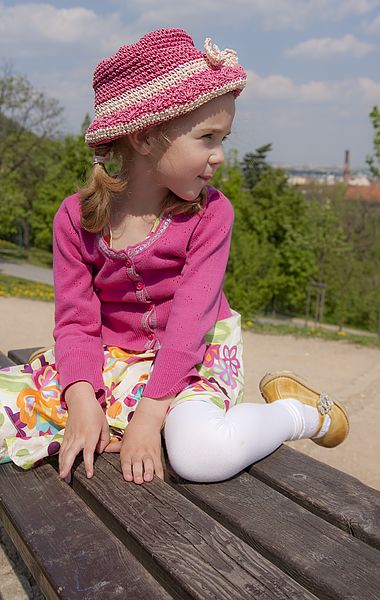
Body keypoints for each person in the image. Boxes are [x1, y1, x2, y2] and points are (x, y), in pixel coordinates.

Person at [0, 28, 349, 485]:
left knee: (200, 455)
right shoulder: (75, 218)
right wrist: (84, 402)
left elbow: (189, 325)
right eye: (207, 138)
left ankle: (300, 413)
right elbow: (76, 323)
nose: (220, 156)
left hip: (194, 355)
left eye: (223, 138)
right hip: (113, 357)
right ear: (145, 138)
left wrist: (147, 420)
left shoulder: (211, 214)